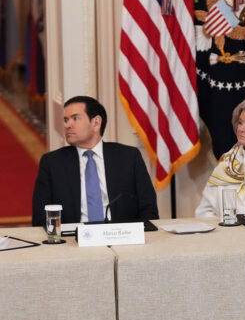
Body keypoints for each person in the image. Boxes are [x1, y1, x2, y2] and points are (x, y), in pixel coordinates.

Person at [32, 96, 159, 225]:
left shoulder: (129, 157)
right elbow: (41, 218)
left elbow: (149, 209)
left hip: (121, 237)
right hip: (73, 240)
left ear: (96, 123)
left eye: (75, 118)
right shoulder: (52, 163)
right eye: (66, 120)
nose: (67, 125)